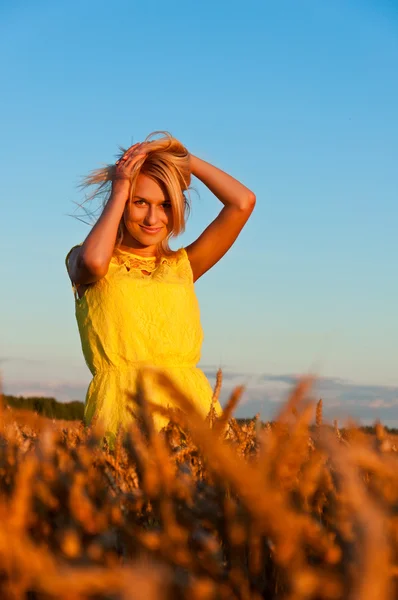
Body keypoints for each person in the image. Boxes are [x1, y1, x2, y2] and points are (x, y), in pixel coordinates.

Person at [65, 132, 255, 447]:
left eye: (165, 205)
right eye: (140, 203)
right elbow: (95, 262)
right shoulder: (83, 259)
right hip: (122, 408)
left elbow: (242, 202)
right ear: (123, 203)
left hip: (190, 406)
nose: (154, 218)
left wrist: (184, 159)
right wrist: (121, 186)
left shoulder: (184, 266)